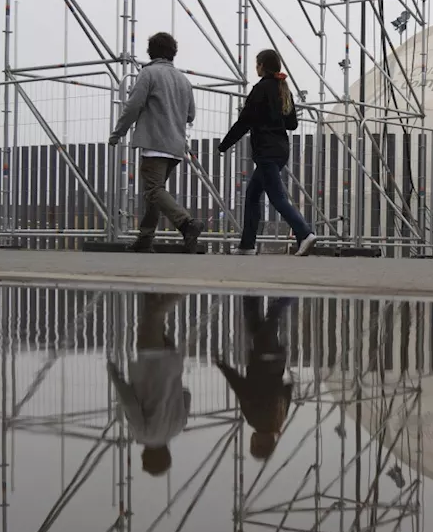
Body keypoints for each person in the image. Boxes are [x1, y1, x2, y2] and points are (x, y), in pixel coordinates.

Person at [108, 33, 204, 253]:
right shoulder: (183, 80)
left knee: (153, 190)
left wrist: (117, 134)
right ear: (173, 52)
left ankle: (187, 224)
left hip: (154, 143)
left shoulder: (148, 74)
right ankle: (145, 238)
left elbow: (133, 106)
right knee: (154, 193)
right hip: (176, 146)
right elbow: (190, 115)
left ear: (151, 51)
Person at [218, 50, 317, 256]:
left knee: (277, 197)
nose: (256, 68)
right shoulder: (283, 89)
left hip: (266, 151)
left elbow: (244, 121)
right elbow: (292, 124)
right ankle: (246, 245)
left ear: (262, 65)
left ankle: (304, 232)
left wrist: (224, 145)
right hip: (281, 149)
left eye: (257, 64)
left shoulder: (260, 89)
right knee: (253, 194)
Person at [106, 293, 191, 476]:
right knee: (153, 315)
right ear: (147, 456)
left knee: (153, 313)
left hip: (172, 364)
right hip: (150, 363)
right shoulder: (142, 434)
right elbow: (129, 403)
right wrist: (114, 374)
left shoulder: (178, 427)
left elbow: (186, 394)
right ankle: (182, 291)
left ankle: (154, 280)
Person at [215, 296, 295, 460]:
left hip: (275, 359)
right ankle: (289, 296)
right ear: (258, 442)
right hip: (261, 358)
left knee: (255, 323)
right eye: (252, 444)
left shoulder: (279, 419)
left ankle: (251, 294)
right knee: (272, 315)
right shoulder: (254, 419)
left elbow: (287, 389)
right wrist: (223, 366)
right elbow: (241, 388)